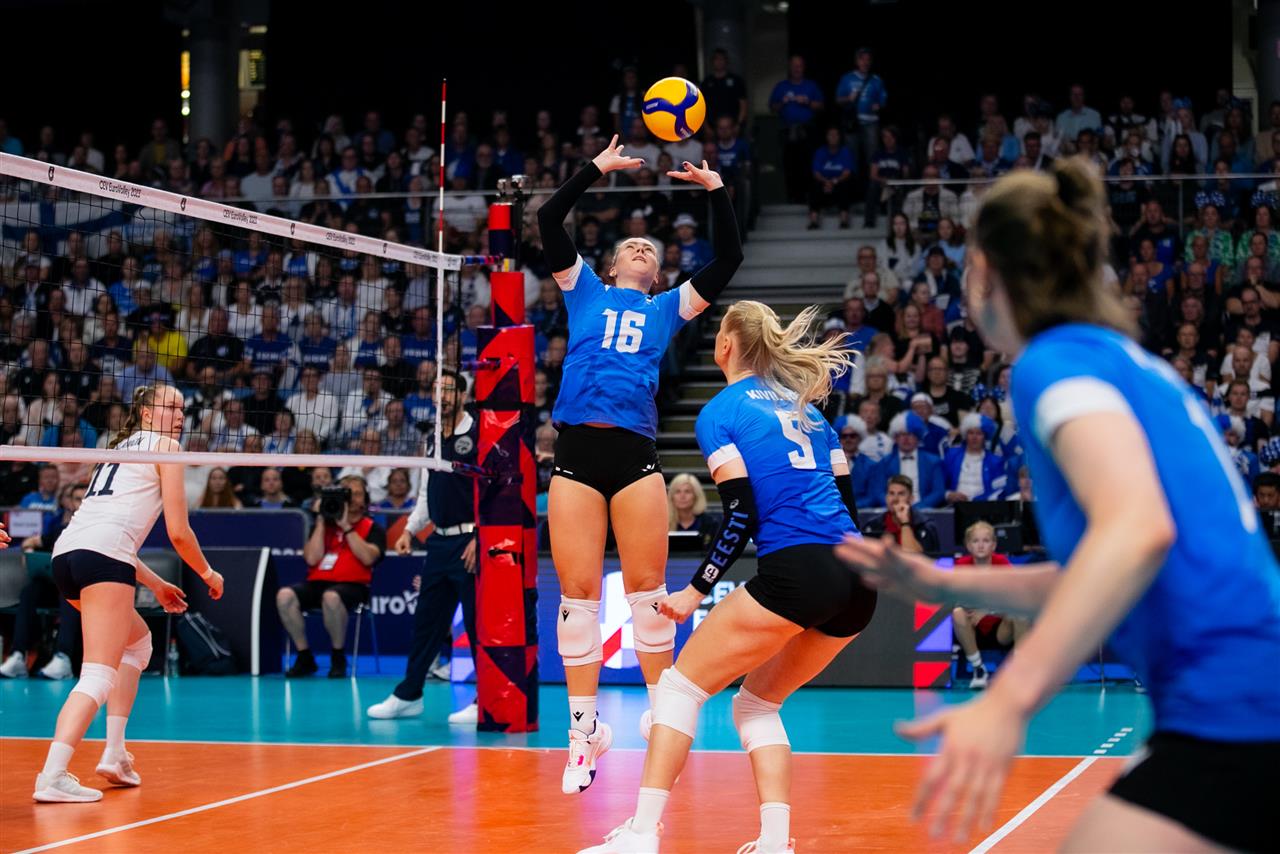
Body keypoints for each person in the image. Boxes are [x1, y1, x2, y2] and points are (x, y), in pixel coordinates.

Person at [838, 158, 1280, 851]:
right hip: (1240, 695)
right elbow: (1102, 571)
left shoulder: (1053, 363)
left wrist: (1009, 702)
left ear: (983, 270)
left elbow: (1137, 531)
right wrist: (943, 583)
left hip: (1237, 700)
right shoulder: (1118, 360)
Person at [577, 303, 875, 854]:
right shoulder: (813, 413)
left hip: (799, 569)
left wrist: (695, 589)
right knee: (756, 704)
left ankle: (641, 835)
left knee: (678, 688)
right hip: (859, 579)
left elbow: (740, 513)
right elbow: (849, 510)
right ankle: (774, 842)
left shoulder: (721, 411)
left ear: (725, 347)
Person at [536, 135, 742, 794]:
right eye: (631, 245)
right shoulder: (583, 289)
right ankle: (583, 734)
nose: (641, 248)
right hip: (576, 452)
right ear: (612, 261)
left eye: (650, 249)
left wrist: (717, 191)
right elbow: (547, 219)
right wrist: (594, 169)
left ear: (657, 273)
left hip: (634, 456)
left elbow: (730, 257)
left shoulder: (667, 307)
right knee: (576, 602)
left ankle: (663, 719)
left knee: (649, 598)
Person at [37, 384, 222, 803]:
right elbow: (179, 532)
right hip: (102, 560)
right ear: (146, 413)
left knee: (137, 644)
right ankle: (52, 775)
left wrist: (155, 584)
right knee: (97, 674)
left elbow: (106, 534)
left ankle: (115, 753)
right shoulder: (166, 447)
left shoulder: (114, 452)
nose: (179, 415)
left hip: (67, 558)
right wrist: (208, 573)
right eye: (169, 406)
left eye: (182, 408)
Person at [367, 370, 479, 724]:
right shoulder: (432, 438)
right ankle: (409, 695)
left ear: (462, 395)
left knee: (477, 624)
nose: (441, 396)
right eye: (436, 390)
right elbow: (427, 494)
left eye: (448, 390)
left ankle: (486, 698)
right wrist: (409, 530)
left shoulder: (479, 432)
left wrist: (481, 536)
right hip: (439, 543)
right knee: (427, 623)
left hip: (470, 542)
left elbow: (494, 492)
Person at [277, 475, 386, 679]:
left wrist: (347, 527)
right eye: (347, 494)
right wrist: (320, 521)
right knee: (284, 596)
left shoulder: (373, 528)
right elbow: (311, 558)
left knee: (331, 597)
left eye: (357, 494)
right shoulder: (324, 526)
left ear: (365, 500)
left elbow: (368, 558)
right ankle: (305, 656)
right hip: (317, 583)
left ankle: (338, 656)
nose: (351, 499)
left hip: (353, 586)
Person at [0, 483, 87, 681]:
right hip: (54, 585)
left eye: (85, 499)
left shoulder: (95, 530)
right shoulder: (61, 529)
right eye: (77, 499)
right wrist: (28, 552)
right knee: (30, 591)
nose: (81, 504)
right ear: (69, 503)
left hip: (80, 590)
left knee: (68, 592)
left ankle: (63, 657)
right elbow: (31, 542)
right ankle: (17, 656)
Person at [949, 521, 1026, 689]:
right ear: (968, 545)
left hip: (1000, 631)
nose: (981, 545)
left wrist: (987, 610)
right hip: (972, 629)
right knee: (957, 612)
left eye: (986, 541)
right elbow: (957, 600)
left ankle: (1019, 670)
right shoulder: (961, 565)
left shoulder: (1002, 564)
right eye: (976, 541)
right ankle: (978, 669)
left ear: (994, 545)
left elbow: (1015, 600)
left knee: (1020, 613)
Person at [665, 473, 718, 545]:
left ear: (696, 496)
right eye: (677, 492)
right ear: (671, 497)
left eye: (687, 491)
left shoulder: (710, 524)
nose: (682, 496)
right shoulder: (663, 524)